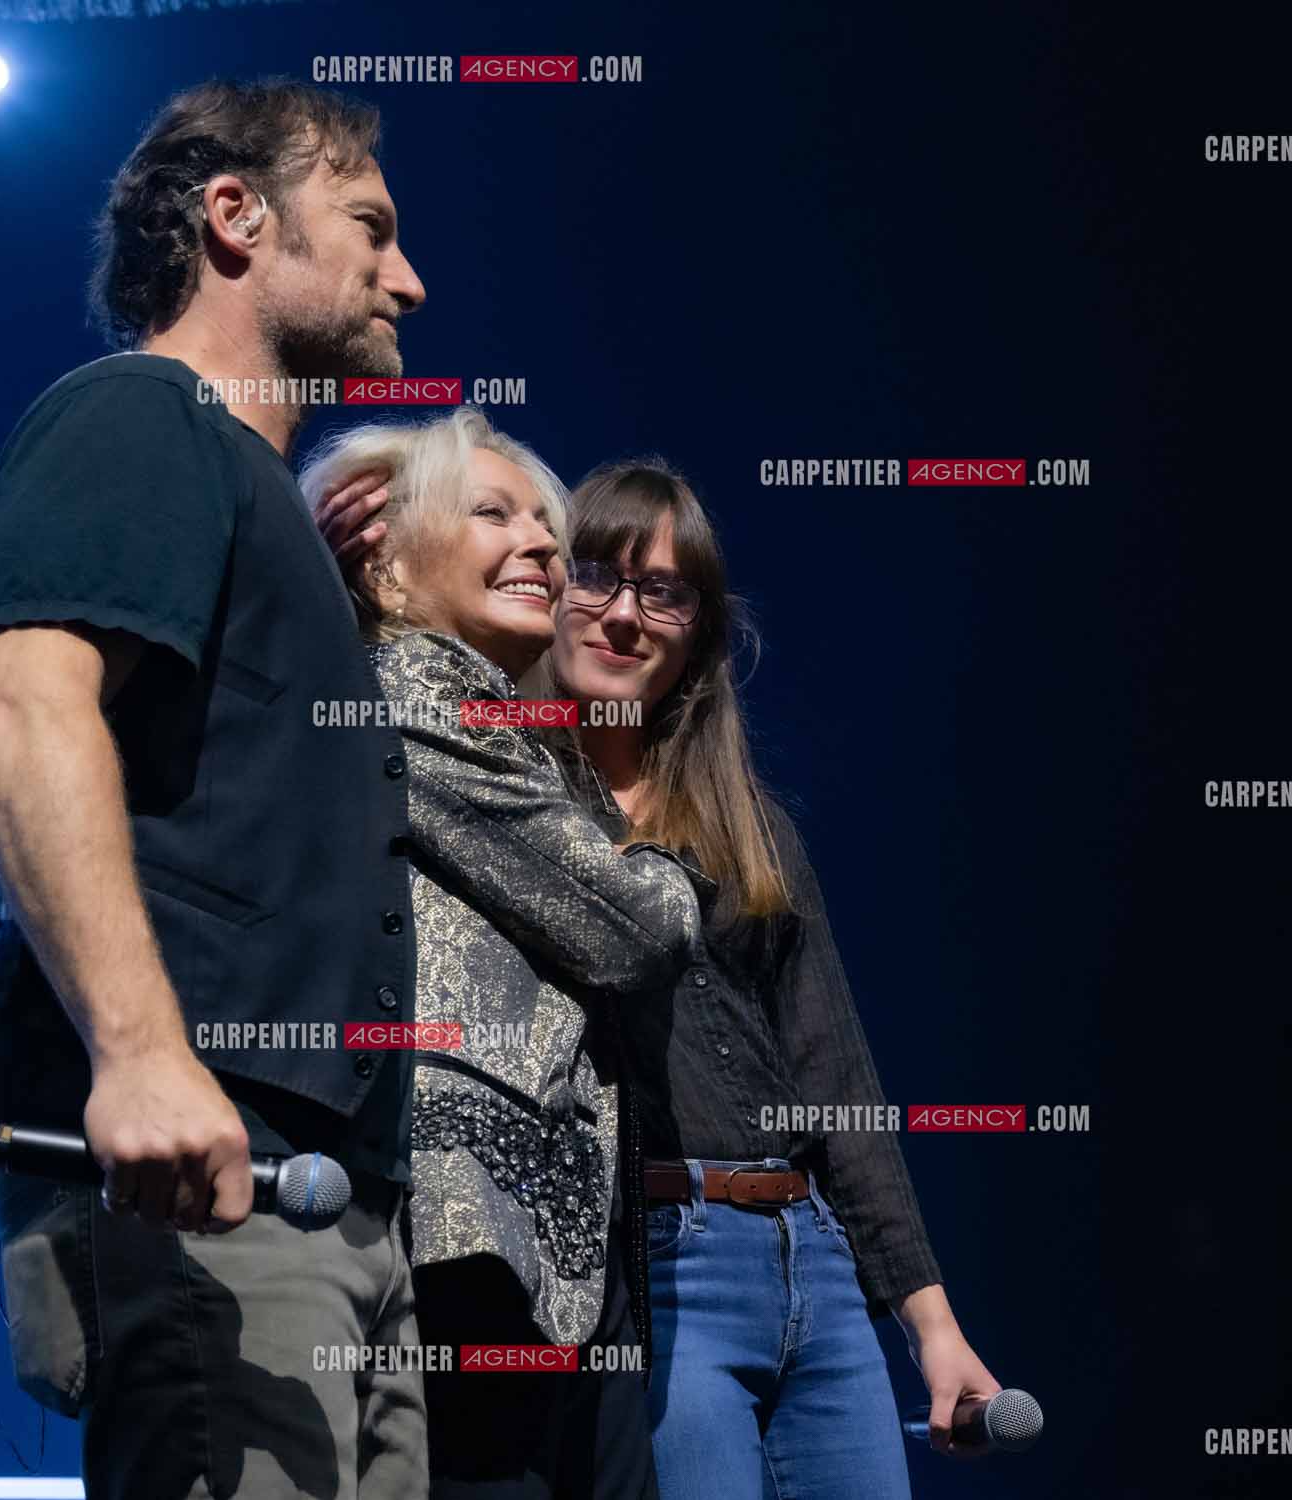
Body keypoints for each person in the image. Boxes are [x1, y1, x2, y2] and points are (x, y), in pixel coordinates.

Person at [319, 457, 1003, 1498]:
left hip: (809, 1253)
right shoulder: (496, 776)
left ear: (699, 626)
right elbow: (346, 684)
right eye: (594, 574)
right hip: (648, 1258)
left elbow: (838, 1080)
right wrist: (343, 567)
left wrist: (932, 1325)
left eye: (664, 590)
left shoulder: (748, 826)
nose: (624, 615)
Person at [0, 80, 432, 1500]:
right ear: (235, 217)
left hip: (330, 1191)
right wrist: (142, 1054)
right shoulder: (137, 414)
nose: (409, 276)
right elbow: (25, 716)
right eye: (370, 227)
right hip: (208, 1174)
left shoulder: (252, 493)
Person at [299, 406, 706, 1500]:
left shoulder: (495, 721)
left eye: (547, 524)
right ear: (385, 564)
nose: (542, 545)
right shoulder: (409, 691)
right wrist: (672, 868)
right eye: (493, 514)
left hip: (545, 1244)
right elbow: (638, 930)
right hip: (466, 1235)